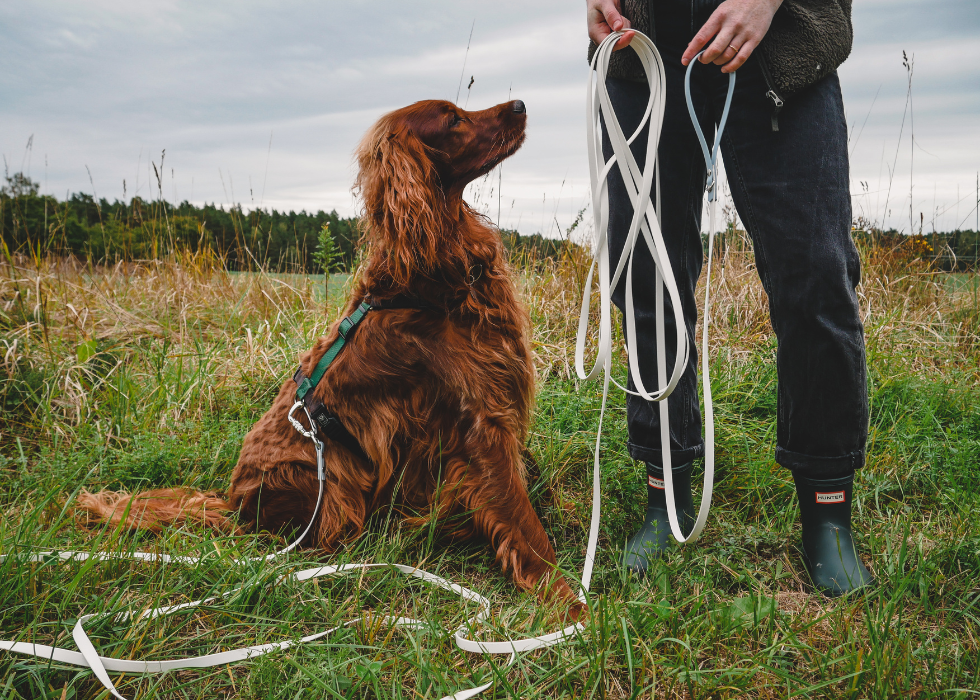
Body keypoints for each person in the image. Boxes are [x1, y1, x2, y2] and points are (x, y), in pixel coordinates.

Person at [585, 0, 874, 596]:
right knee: (648, 274)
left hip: (782, 44)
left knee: (815, 271)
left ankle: (827, 513)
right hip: (645, 52)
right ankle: (666, 494)